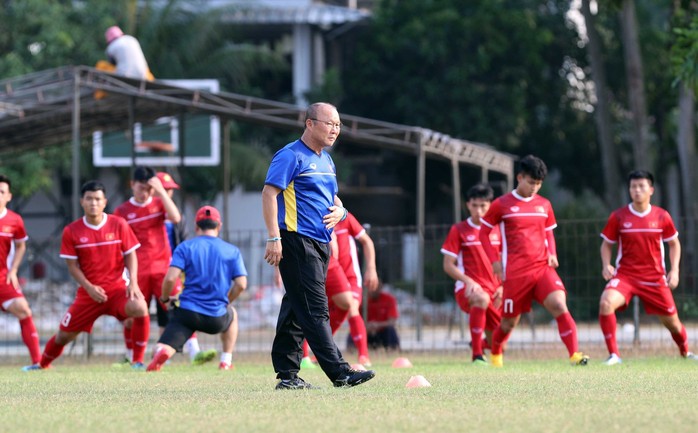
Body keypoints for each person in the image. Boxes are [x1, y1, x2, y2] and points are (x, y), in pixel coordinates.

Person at [262, 101, 375, 390]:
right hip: (296, 240)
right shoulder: (290, 155)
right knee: (315, 308)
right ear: (309, 123)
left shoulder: (327, 160)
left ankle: (287, 376)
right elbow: (268, 193)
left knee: (295, 306)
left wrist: (343, 212)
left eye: (338, 124)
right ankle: (340, 373)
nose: (335, 129)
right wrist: (274, 237)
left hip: (322, 242)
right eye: (329, 123)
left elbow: (333, 199)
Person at [23, 180, 150, 371]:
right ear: (82, 201)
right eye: (89, 199)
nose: (93, 203)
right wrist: (89, 288)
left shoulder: (118, 224)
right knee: (63, 336)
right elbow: (72, 266)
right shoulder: (72, 231)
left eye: (98, 199)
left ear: (105, 202)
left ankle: (138, 362)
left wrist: (133, 283)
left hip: (117, 290)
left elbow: (131, 253)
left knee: (139, 307)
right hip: (88, 295)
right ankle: (42, 364)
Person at [479, 155, 589, 367]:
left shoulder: (544, 205)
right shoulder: (501, 205)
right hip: (515, 273)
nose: (534, 188)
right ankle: (495, 353)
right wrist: (494, 261)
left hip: (542, 268)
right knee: (510, 322)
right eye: (531, 182)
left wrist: (552, 253)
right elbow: (483, 234)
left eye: (538, 184)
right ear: (519, 178)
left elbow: (548, 232)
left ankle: (575, 354)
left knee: (559, 304)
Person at [599, 170, 697, 365]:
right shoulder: (619, 216)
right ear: (629, 189)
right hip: (625, 276)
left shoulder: (661, 216)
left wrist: (674, 270)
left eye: (641, 186)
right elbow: (606, 244)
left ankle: (685, 352)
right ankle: (614, 355)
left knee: (673, 323)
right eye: (633, 186)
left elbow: (674, 244)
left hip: (654, 277)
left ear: (650, 190)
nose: (637, 190)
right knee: (606, 303)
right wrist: (606, 265)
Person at [147, 206, 247, 372]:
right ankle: (226, 361)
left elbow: (171, 278)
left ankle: (164, 351)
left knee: (167, 341)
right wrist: (226, 302)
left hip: (188, 313)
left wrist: (164, 298)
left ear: (196, 227)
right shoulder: (232, 251)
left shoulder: (185, 247)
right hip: (217, 316)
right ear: (219, 226)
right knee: (233, 315)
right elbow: (241, 284)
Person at [114, 166, 182, 364]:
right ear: (132, 185)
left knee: (174, 308)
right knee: (132, 314)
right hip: (137, 271)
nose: (145, 193)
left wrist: (161, 191)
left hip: (161, 268)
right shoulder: (122, 211)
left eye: (149, 189)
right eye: (141, 188)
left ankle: (168, 354)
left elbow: (176, 218)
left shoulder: (159, 203)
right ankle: (131, 355)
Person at [300, 211, 379, 368]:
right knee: (316, 311)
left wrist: (371, 268)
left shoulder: (345, 217)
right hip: (327, 273)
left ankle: (363, 355)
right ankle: (310, 353)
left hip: (350, 277)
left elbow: (367, 242)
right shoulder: (314, 216)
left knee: (351, 306)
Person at [441, 183, 503, 365]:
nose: (478, 210)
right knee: (481, 298)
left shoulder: (499, 230)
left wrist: (503, 287)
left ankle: (480, 343)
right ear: (468, 205)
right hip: (469, 290)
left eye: (483, 205)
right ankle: (477, 355)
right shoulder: (459, 230)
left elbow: (506, 262)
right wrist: (468, 281)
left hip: (496, 291)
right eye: (474, 205)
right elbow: (448, 265)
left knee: (499, 343)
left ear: (490, 205)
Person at [155, 171, 209, 364]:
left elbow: (183, 238)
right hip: (152, 269)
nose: (167, 193)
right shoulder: (149, 215)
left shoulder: (174, 215)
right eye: (164, 189)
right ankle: (162, 354)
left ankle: (193, 351)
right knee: (162, 312)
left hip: (173, 268)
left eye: (170, 190)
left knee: (180, 306)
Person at [0, 175, 41, 365]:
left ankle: (37, 362)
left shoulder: (14, 220)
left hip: (3, 278)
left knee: (24, 310)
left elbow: (21, 246)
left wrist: (13, 269)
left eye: (1, 192)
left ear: (9, 196)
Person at [348, 281, 401, 351]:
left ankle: (393, 350)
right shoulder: (361, 300)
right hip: (366, 331)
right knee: (354, 330)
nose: (373, 289)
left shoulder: (389, 299)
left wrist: (377, 325)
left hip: (382, 332)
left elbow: (392, 322)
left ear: (380, 287)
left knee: (391, 329)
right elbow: (353, 318)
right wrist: (365, 326)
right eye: (371, 287)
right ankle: (351, 351)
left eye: (375, 286)